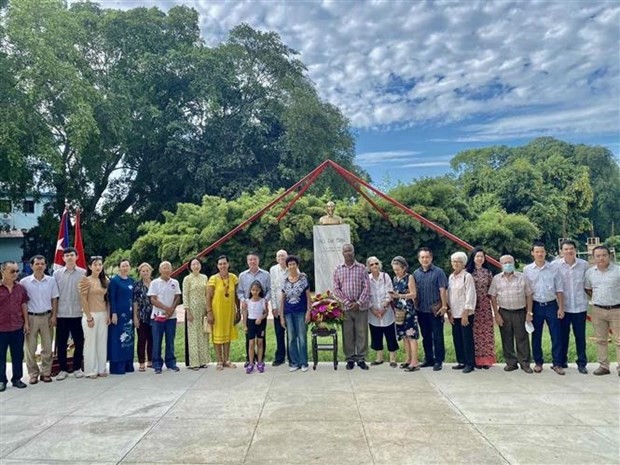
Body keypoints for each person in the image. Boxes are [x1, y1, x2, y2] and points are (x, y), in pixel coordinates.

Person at [523, 241, 565, 375]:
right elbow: (526, 292)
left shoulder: (554, 268)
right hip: (536, 306)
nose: (540, 254)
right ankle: (538, 362)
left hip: (552, 305)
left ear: (545, 252)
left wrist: (561, 308)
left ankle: (557, 363)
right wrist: (528, 311)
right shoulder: (527, 269)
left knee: (556, 335)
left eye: (542, 251)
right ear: (532, 253)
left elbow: (559, 289)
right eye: (537, 252)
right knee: (536, 335)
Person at [488, 255, 534, 373]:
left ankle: (525, 363)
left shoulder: (522, 277)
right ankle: (511, 363)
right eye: (505, 263)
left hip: (520, 311)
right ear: (501, 264)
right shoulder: (496, 279)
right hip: (504, 312)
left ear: (514, 263)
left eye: (509, 262)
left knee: (522, 338)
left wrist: (529, 312)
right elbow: (492, 296)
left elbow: (529, 295)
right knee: (506, 338)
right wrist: (496, 314)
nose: (507, 264)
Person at [20, 255, 59, 384]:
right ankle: (33, 374)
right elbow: (23, 303)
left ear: (45, 265)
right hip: (31, 317)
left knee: (47, 347)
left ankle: (46, 373)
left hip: (47, 316)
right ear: (31, 266)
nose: (40, 266)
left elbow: (54, 298)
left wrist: (54, 315)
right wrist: (25, 321)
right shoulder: (24, 282)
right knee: (30, 348)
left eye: (42, 263)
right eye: (37, 264)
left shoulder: (51, 280)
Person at [332, 244, 371, 370]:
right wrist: (348, 303)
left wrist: (358, 303)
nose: (348, 253)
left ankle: (361, 358)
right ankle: (350, 359)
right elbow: (336, 289)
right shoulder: (338, 269)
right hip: (346, 308)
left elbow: (367, 287)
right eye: (346, 251)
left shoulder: (362, 268)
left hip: (361, 307)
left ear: (354, 252)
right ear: (342, 253)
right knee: (347, 334)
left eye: (350, 251)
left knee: (362, 333)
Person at [585, 245, 620, 377]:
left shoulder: (618, 271)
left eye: (604, 255)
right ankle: (603, 366)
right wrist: (598, 298)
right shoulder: (590, 273)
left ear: (609, 256)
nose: (601, 258)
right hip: (598, 310)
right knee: (601, 340)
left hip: (617, 310)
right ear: (593, 258)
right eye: (598, 256)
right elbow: (588, 289)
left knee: (619, 340)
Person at [554, 240, 589, 374]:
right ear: (561, 251)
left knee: (580, 336)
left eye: (571, 248)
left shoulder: (584, 265)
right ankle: (562, 361)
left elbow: (587, 284)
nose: (569, 251)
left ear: (575, 250)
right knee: (562, 336)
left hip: (580, 306)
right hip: (563, 307)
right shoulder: (555, 265)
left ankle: (581, 363)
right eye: (566, 249)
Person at [53, 247, 86, 380]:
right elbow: (54, 295)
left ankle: (77, 367)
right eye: (67, 255)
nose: (69, 257)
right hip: (62, 314)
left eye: (72, 255)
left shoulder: (83, 273)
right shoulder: (56, 274)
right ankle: (63, 369)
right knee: (61, 343)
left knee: (79, 342)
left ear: (76, 257)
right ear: (63, 258)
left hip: (78, 313)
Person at [413, 247, 449, 371]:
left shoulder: (438, 272)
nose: (425, 259)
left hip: (435, 310)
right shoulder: (416, 273)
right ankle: (429, 359)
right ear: (419, 259)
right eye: (422, 257)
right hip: (421, 310)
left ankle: (438, 360)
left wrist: (444, 306)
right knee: (426, 336)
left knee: (438, 336)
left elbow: (443, 289)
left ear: (431, 258)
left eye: (427, 257)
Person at [237, 252, 271, 367]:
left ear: (258, 260)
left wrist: (265, 300)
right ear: (247, 261)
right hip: (248, 308)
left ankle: (261, 359)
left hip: (261, 308)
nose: (252, 261)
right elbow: (240, 291)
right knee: (249, 337)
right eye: (250, 260)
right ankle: (250, 359)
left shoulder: (266, 274)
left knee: (261, 337)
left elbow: (270, 290)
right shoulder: (242, 275)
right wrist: (244, 300)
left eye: (254, 259)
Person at [148, 261, 182, 374]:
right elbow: (152, 299)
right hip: (158, 317)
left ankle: (171, 362)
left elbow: (178, 297)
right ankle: (157, 364)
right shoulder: (155, 283)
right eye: (164, 268)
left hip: (171, 317)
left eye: (168, 268)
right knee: (157, 341)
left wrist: (171, 309)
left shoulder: (175, 282)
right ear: (160, 270)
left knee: (170, 340)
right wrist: (165, 308)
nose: (166, 270)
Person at [0, 260, 29, 392]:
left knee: (18, 354)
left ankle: (17, 378)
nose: (15, 274)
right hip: (1, 328)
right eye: (12, 271)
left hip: (17, 326)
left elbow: (23, 305)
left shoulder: (20, 288)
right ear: (3, 271)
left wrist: (26, 323)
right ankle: (1, 380)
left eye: (17, 271)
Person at [79, 256, 110, 378]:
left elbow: (107, 299)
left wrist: (108, 314)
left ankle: (101, 368)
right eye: (95, 264)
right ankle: (91, 370)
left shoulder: (105, 280)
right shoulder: (85, 280)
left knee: (102, 342)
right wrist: (88, 317)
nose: (98, 267)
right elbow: (83, 299)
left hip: (102, 314)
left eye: (100, 264)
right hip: (90, 313)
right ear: (90, 266)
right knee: (90, 343)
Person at [279, 255, 311, 372]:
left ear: (297, 265)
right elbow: (282, 300)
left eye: (294, 264)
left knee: (302, 337)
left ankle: (304, 362)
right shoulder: (285, 281)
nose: (292, 266)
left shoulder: (303, 279)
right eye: (289, 264)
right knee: (291, 337)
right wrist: (281, 316)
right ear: (287, 267)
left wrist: (309, 311)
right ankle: (294, 362)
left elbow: (308, 297)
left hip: (301, 312)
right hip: (288, 313)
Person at [207, 255, 239, 370]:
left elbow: (236, 296)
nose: (222, 266)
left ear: (228, 264)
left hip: (229, 312)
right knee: (217, 337)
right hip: (217, 312)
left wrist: (238, 310)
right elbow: (208, 297)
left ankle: (226, 359)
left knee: (227, 336)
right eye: (220, 264)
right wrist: (209, 312)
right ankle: (219, 360)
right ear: (217, 266)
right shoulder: (213, 279)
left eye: (224, 263)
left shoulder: (233, 278)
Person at [465, 247, 496, 369]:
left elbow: (492, 290)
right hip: (472, 306)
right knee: (474, 334)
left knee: (486, 333)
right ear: (473, 258)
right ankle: (476, 360)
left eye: (482, 256)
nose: (479, 259)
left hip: (484, 306)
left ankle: (486, 361)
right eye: (477, 256)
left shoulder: (488, 273)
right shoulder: (467, 272)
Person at [447, 252, 477, 374]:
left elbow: (470, 295)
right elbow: (449, 295)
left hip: (465, 313)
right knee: (457, 338)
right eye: (454, 261)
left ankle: (470, 363)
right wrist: (449, 312)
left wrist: (466, 312)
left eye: (459, 261)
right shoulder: (450, 277)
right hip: (454, 313)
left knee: (467, 339)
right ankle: (461, 361)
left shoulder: (467, 276)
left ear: (464, 264)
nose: (456, 263)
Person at [389, 256, 419, 371]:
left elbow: (413, 294)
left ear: (404, 268)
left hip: (409, 310)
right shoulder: (395, 278)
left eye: (398, 269)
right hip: (399, 310)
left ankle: (415, 362)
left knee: (411, 336)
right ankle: (408, 359)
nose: (396, 271)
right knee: (404, 336)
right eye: (394, 269)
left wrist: (399, 296)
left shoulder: (409, 277)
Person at [367, 256, 397, 367]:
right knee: (376, 335)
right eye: (371, 264)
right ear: (368, 267)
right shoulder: (367, 279)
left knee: (390, 335)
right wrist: (373, 310)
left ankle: (392, 359)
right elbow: (366, 295)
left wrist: (383, 309)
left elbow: (389, 293)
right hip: (373, 312)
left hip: (386, 311)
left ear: (379, 264)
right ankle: (379, 358)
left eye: (376, 263)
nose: (374, 266)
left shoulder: (386, 277)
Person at [108, 258, 135, 375]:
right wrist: (113, 313)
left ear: (130, 267)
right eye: (123, 266)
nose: (125, 268)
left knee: (128, 340)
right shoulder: (115, 281)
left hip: (129, 316)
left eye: (127, 266)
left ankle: (128, 364)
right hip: (118, 315)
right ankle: (117, 366)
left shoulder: (132, 281)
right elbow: (111, 298)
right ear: (119, 267)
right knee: (118, 339)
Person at [183, 257, 210, 370]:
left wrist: (208, 309)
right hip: (192, 309)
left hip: (203, 309)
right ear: (190, 267)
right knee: (193, 335)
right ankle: (194, 362)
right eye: (193, 264)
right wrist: (187, 310)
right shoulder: (187, 279)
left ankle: (203, 361)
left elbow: (207, 293)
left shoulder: (204, 277)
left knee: (203, 334)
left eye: (198, 264)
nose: (196, 266)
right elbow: (185, 295)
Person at [269, 249, 289, 367]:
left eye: (283, 256)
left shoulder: (292, 267)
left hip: (290, 307)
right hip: (277, 306)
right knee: (279, 332)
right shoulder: (273, 269)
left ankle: (292, 357)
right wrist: (274, 307)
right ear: (276, 259)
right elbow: (272, 288)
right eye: (279, 256)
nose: (281, 258)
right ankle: (280, 357)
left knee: (291, 334)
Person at [243, 280, 268, 374]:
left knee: (260, 342)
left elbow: (266, 313)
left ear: (260, 290)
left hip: (260, 323)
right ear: (250, 291)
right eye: (253, 290)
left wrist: (261, 318)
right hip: (251, 322)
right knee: (251, 343)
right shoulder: (247, 302)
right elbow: (245, 314)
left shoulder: (263, 301)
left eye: (257, 290)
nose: (255, 292)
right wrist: (245, 325)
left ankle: (260, 362)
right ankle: (250, 363)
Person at [133, 262, 154, 372]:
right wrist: (135, 317)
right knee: (141, 339)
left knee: (152, 339)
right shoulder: (137, 285)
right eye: (143, 271)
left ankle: (151, 360)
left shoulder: (155, 283)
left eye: (147, 270)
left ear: (151, 271)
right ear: (140, 272)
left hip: (154, 315)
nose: (145, 272)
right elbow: (135, 302)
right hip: (141, 315)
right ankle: (141, 362)